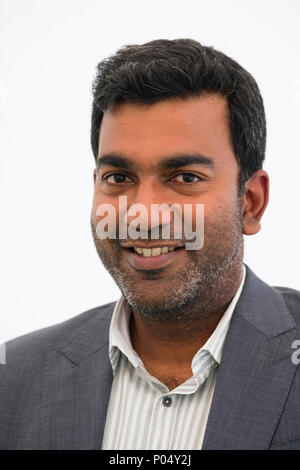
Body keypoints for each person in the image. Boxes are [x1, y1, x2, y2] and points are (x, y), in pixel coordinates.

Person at [1, 38, 300, 450]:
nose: (144, 215)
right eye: (119, 178)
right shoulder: (12, 378)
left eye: (185, 177)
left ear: (251, 202)